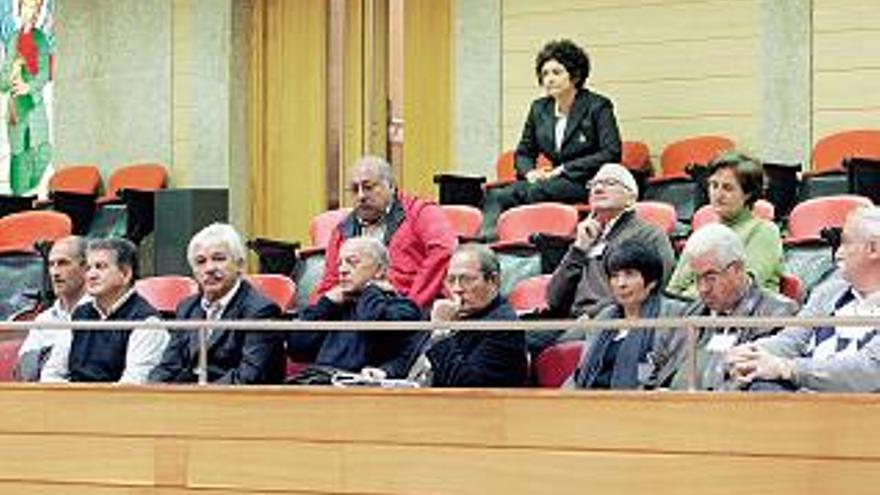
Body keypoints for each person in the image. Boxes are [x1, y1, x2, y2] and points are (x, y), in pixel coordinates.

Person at [726, 206, 880, 392]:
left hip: (863, 411)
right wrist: (752, 353)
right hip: (804, 403)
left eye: (846, 243)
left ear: (873, 249)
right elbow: (793, 340)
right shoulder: (828, 292)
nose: (838, 253)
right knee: (759, 383)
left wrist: (789, 368)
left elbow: (868, 371)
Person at [480, 38, 621, 237]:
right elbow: (524, 152)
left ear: (575, 75)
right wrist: (530, 173)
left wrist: (563, 169)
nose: (549, 79)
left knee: (537, 192)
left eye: (556, 72)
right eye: (545, 73)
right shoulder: (539, 108)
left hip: (585, 181)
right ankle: (491, 242)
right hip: (550, 182)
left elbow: (611, 153)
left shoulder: (597, 106)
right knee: (501, 194)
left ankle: (535, 241)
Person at [543, 163, 675, 352]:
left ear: (631, 198)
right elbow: (554, 298)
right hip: (571, 320)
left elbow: (651, 289)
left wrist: (593, 315)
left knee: (547, 349)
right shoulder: (587, 236)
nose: (598, 188)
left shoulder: (649, 235)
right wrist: (578, 248)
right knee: (512, 338)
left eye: (609, 183)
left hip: (613, 321)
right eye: (594, 184)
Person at [149, 223, 286, 384]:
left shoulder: (261, 311)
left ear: (240, 265)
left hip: (238, 403)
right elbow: (168, 366)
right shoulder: (187, 307)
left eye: (219, 259)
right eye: (200, 262)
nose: (209, 268)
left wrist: (197, 398)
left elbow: (248, 377)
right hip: (190, 400)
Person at [315, 155, 457, 309]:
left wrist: (412, 305)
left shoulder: (421, 212)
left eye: (368, 187)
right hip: (358, 316)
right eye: (355, 190)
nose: (361, 196)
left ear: (390, 185)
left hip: (411, 310)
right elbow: (330, 281)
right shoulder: (342, 230)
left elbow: (443, 251)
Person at [669, 224, 798, 390]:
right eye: (697, 278)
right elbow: (658, 372)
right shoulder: (690, 314)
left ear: (737, 269)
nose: (702, 288)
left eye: (710, 277)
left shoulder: (777, 315)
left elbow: (753, 384)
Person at [289, 236, 424, 382]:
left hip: (362, 387)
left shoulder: (403, 308)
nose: (342, 270)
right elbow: (297, 348)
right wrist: (326, 304)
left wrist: (371, 289)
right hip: (319, 382)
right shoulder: (333, 307)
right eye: (339, 264)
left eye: (352, 262)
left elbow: (372, 322)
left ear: (379, 270)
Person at [40, 238, 169, 383]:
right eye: (88, 268)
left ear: (126, 274)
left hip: (118, 403)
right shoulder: (79, 314)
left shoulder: (147, 322)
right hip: (73, 401)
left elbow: (133, 386)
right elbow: (51, 374)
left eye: (100, 267)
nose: (91, 275)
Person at [567, 240, 688, 390]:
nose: (621, 283)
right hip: (591, 403)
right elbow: (580, 373)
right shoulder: (605, 317)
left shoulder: (673, 316)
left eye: (630, 274)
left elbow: (672, 374)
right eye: (615, 276)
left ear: (652, 281)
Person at [667, 151, 784, 298]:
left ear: (748, 194)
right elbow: (674, 289)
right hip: (696, 315)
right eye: (714, 185)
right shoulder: (703, 234)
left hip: (746, 317)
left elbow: (740, 288)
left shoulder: (764, 231)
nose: (718, 194)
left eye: (727, 188)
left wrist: (686, 301)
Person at [413, 244, 527, 387]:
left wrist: (441, 331)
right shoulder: (453, 314)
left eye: (466, 279)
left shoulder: (504, 327)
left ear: (493, 281)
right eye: (451, 280)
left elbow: (466, 387)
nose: (457, 289)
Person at [15, 236, 87, 381]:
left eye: (63, 263)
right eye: (51, 264)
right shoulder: (44, 319)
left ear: (85, 267)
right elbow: (26, 371)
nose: (54, 272)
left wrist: (43, 356)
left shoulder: (102, 313)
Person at [0, 0, 52, 196]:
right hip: (16, 107)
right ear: (19, 10)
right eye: (27, 7)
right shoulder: (13, 39)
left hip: (34, 104)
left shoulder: (41, 39)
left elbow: (44, 72)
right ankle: (19, 199)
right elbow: (3, 81)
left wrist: (28, 86)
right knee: (19, 154)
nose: (31, 12)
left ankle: (31, 188)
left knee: (43, 150)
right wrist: (10, 73)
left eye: (35, 8)